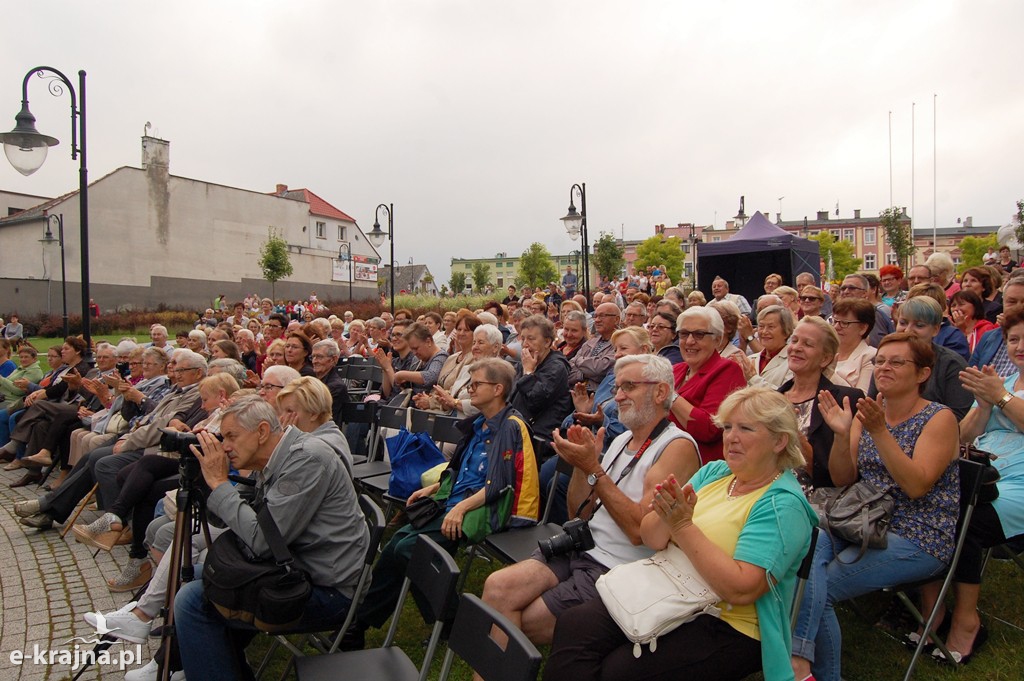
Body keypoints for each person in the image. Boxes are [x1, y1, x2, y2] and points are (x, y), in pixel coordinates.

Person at [544, 386, 817, 681]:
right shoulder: (716, 473)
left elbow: (741, 589)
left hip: (728, 623)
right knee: (575, 624)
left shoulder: (782, 504)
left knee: (620, 670)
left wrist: (683, 527)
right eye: (727, 427)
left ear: (779, 441)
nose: (731, 437)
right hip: (667, 589)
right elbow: (651, 538)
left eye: (746, 428)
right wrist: (669, 518)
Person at [481, 354, 701, 646]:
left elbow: (640, 533)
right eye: (618, 387)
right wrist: (582, 467)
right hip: (581, 549)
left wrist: (594, 468)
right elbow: (579, 514)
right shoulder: (622, 440)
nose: (618, 396)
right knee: (497, 588)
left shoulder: (677, 447)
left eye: (629, 387)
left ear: (661, 392)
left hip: (617, 568)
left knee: (522, 622)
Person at [791, 333, 960, 681]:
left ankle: (811, 670)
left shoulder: (938, 418)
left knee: (818, 588)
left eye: (897, 362)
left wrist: (879, 432)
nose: (884, 367)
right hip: (861, 520)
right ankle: (802, 665)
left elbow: (916, 486)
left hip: (917, 535)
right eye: (880, 360)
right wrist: (841, 434)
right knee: (802, 555)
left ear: (923, 374)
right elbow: (842, 478)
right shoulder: (869, 412)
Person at [172, 395, 368, 681]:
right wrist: (213, 483)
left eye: (231, 437)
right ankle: (205, 662)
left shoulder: (306, 459)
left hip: (328, 590)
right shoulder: (277, 455)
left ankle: (199, 665)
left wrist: (220, 483)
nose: (225, 446)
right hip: (297, 569)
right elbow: (232, 519)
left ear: (262, 431)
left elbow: (263, 540)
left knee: (192, 601)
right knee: (201, 575)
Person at [350, 358, 541, 646]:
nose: (470, 390)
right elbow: (461, 468)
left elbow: (499, 485)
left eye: (477, 384)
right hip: (453, 500)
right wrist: (434, 488)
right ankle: (359, 625)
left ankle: (451, 622)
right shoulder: (481, 423)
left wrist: (460, 509)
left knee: (410, 550)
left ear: (498, 389)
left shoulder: (509, 427)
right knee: (396, 545)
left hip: (482, 509)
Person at [918, 307, 1024, 663]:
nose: (1019, 345)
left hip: (1018, 486)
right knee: (925, 499)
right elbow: (962, 437)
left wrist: (1001, 399)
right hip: (982, 470)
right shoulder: (1001, 385)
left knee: (963, 518)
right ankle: (933, 608)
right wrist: (982, 405)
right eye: (1013, 339)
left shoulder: (1002, 391)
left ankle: (967, 619)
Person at [13, 351, 208, 531]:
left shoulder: (192, 393)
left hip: (150, 443)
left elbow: (161, 424)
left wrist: (137, 401)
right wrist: (127, 398)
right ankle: (50, 509)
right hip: (132, 433)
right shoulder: (175, 388)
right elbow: (134, 415)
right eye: (174, 365)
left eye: (181, 368)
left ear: (198, 373)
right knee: (90, 454)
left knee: (101, 459)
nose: (174, 370)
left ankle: (117, 521)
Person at [778, 317, 864, 489]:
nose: (796, 348)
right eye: (794, 341)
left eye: (808, 344)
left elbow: (836, 480)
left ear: (825, 359)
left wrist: (796, 437)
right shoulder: (773, 399)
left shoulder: (845, 400)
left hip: (817, 503)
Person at [669, 307, 747, 461]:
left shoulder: (727, 370)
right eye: (684, 334)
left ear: (717, 340)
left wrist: (669, 395)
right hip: (665, 457)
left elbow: (710, 429)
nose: (690, 341)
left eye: (699, 334)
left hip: (700, 468)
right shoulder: (675, 370)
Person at [889, 296, 973, 421]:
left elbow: (959, 418)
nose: (908, 330)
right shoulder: (885, 359)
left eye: (919, 325)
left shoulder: (951, 364)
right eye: (903, 323)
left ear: (935, 330)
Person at [510, 315, 573, 451]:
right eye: (523, 338)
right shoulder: (527, 362)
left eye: (531, 339)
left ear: (547, 342)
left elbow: (535, 401)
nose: (525, 344)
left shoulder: (556, 367)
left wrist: (528, 373)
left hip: (538, 438)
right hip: (516, 429)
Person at [733, 305, 794, 389]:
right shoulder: (750, 360)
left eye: (771, 327)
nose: (764, 332)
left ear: (786, 331)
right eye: (761, 326)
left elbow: (783, 396)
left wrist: (753, 378)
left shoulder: (793, 362)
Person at [568, 303, 619, 391]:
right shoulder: (591, 341)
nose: (597, 320)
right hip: (576, 395)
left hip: (601, 396)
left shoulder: (621, 342)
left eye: (602, 316)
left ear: (616, 319)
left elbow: (600, 370)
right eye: (595, 316)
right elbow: (568, 370)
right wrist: (585, 373)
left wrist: (578, 361)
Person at [832, 298, 877, 392]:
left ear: (863, 328)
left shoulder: (870, 356)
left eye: (844, 323)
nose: (836, 327)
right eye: (835, 321)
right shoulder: (826, 352)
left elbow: (861, 398)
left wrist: (829, 373)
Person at [839, 274, 893, 347]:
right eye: (843, 288)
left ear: (864, 293)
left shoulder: (873, 315)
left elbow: (876, 346)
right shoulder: (833, 315)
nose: (846, 291)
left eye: (852, 288)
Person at [311, 339, 348, 426]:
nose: (314, 361)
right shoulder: (312, 380)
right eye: (313, 357)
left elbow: (322, 418)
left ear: (333, 359)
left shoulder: (336, 386)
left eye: (319, 357)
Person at [950, 288, 997, 355]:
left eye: (961, 304)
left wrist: (962, 331)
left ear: (975, 306)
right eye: (953, 306)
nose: (956, 309)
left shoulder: (986, 329)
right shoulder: (949, 330)